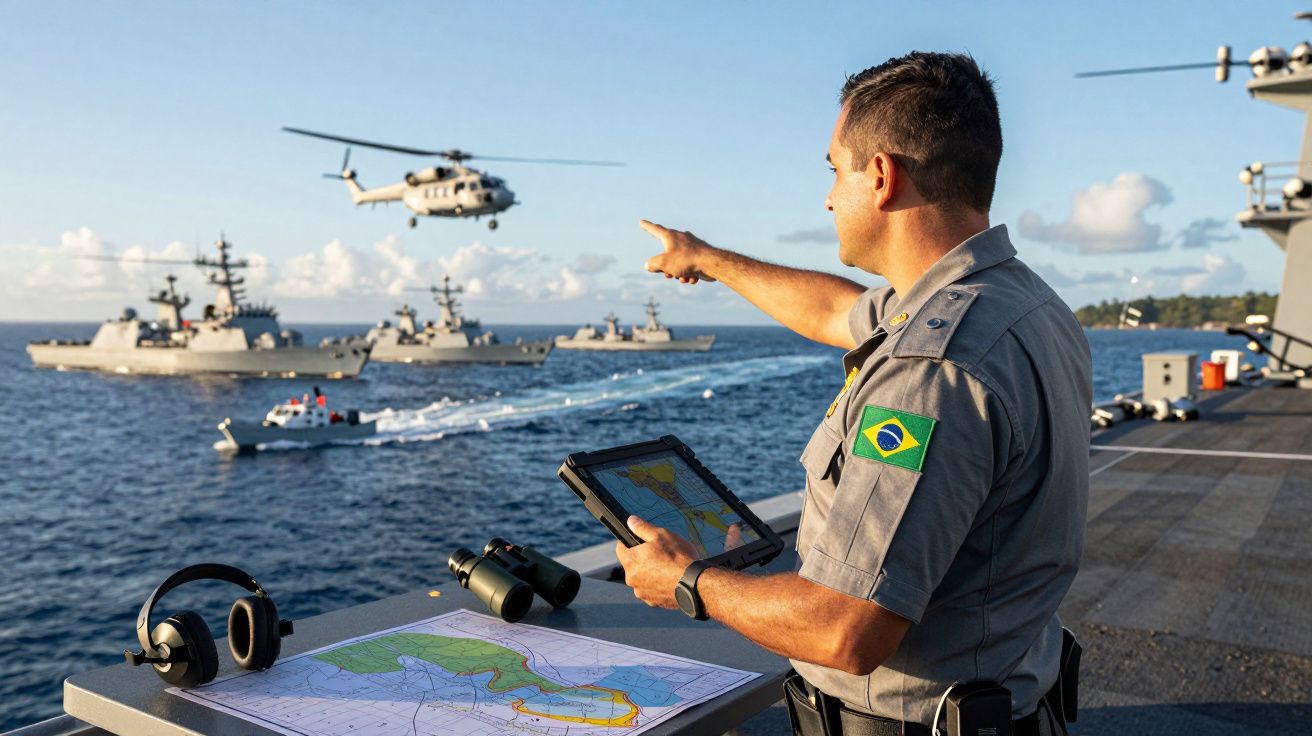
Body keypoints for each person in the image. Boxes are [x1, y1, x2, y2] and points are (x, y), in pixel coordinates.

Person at [615, 51, 1091, 735]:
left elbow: (848, 631)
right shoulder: (1022, 305)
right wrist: (707, 259)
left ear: (881, 176)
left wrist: (689, 582)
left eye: (834, 170)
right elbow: (836, 313)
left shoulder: (932, 370)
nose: (829, 197)